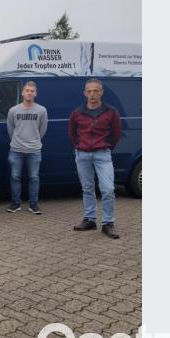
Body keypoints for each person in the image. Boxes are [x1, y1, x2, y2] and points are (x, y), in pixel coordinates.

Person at [69, 78, 122, 239]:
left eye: (96, 90)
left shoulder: (111, 112)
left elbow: (116, 134)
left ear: (101, 92)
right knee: (87, 188)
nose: (92, 94)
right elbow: (72, 134)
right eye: (89, 91)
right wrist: (80, 146)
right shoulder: (77, 112)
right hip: (82, 155)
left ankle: (108, 223)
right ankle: (90, 220)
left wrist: (105, 147)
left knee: (108, 189)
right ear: (85, 93)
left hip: (102, 154)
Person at [6, 81, 48, 215]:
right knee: (15, 177)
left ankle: (33, 205)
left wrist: (34, 141)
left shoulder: (42, 110)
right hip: (16, 149)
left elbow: (42, 130)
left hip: (34, 150)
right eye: (27, 90)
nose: (29, 93)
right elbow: (10, 129)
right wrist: (18, 141)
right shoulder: (13, 110)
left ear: (35, 93)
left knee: (34, 177)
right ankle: (16, 204)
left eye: (32, 91)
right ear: (23, 93)